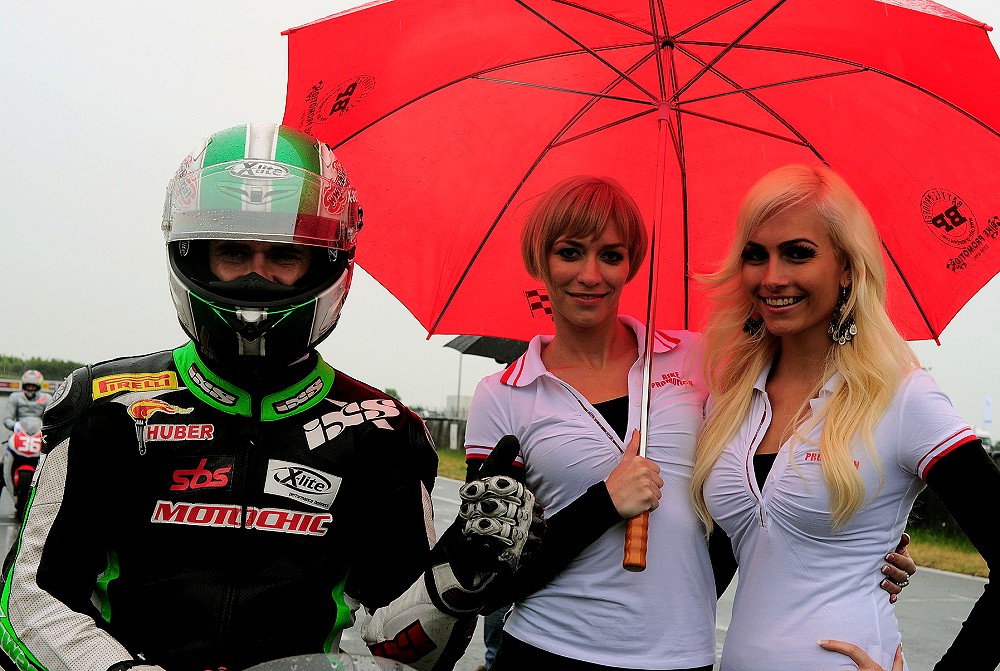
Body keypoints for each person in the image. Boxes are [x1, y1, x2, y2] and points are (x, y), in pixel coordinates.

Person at [0, 123, 541, 671]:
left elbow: (403, 654)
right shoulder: (105, 405)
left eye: (283, 256)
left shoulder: (383, 430)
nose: (256, 278)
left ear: (326, 264)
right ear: (194, 256)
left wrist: (455, 582)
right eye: (234, 252)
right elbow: (28, 602)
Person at [463, 176, 914, 671]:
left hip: (681, 659)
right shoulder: (502, 395)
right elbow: (487, 581)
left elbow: (753, 489)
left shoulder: (701, 360)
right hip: (545, 652)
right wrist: (603, 503)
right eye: (569, 253)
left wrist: (861, 546)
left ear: (631, 264)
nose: (590, 275)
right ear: (540, 260)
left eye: (611, 255)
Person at [690, 164, 1000, 670]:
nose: (772, 277)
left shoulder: (901, 396)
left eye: (798, 253)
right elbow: (726, 560)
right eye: (755, 254)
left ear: (847, 269)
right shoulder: (730, 397)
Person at [2, 369, 50, 501]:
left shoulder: (47, 398)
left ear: (38, 386)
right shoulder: (15, 397)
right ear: (23, 385)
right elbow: (7, 419)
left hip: (38, 437)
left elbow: (51, 419)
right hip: (19, 435)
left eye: (33, 386)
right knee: (2, 465)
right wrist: (15, 425)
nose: (30, 388)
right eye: (28, 385)